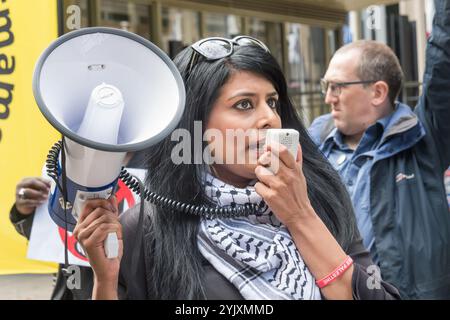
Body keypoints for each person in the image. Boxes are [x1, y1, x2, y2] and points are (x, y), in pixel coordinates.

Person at [73, 35, 400, 300]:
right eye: (244, 104)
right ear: (196, 126)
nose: (270, 118)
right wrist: (106, 280)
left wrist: (300, 216)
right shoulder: (147, 225)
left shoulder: (320, 200)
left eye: (272, 102)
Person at [308, 0, 450, 299]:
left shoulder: (421, 141)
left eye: (338, 87)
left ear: (378, 92)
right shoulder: (313, 144)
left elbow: (443, 69)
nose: (328, 98)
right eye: (326, 86)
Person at [9, 151, 147, 299]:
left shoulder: (159, 161)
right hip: (73, 289)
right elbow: (51, 239)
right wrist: (24, 211)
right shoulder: (74, 154)